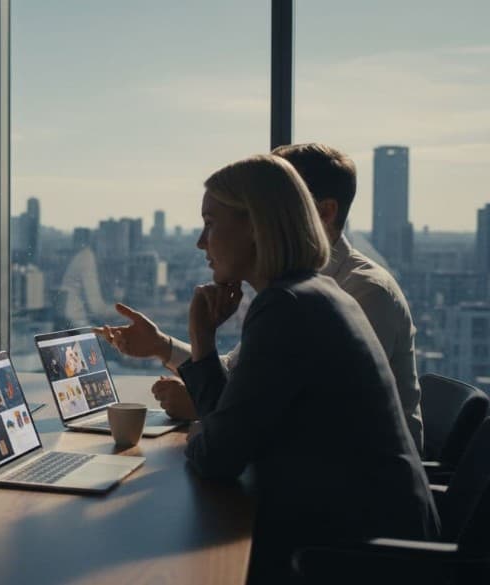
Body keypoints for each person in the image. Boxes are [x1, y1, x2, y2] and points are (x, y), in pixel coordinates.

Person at [138, 155, 438, 581]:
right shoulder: (311, 293)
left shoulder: (288, 307)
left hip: (354, 556)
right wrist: (203, 345)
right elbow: (224, 425)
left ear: (257, 225)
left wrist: (208, 422)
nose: (200, 242)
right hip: (361, 533)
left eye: (210, 222)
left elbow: (218, 455)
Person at [98, 143, 424, 453]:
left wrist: (205, 413)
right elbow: (241, 380)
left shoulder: (357, 293)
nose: (201, 242)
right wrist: (162, 345)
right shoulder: (301, 291)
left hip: (354, 503)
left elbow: (250, 428)